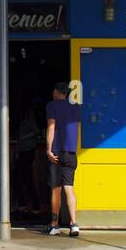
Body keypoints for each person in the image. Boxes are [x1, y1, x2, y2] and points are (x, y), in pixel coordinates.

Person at [45, 82, 80, 238]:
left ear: (57, 92)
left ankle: (54, 225)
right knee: (69, 188)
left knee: (56, 190)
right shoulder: (76, 107)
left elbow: (51, 126)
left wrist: (48, 149)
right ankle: (74, 224)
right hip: (71, 152)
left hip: (57, 152)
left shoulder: (52, 106)